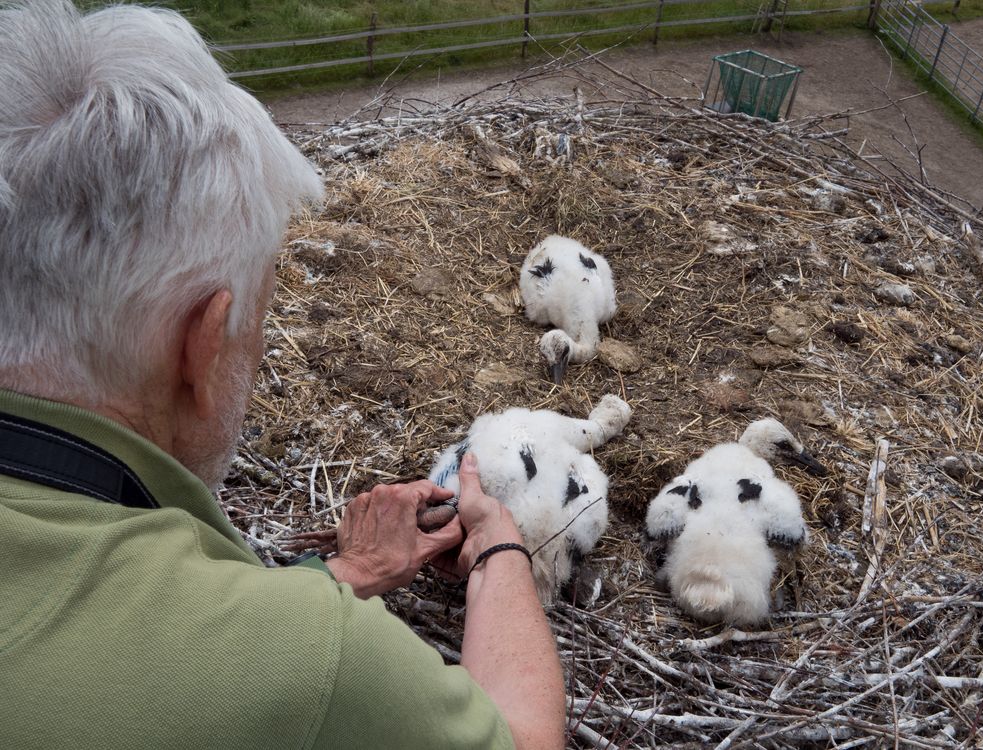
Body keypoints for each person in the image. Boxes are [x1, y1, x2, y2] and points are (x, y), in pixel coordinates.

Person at [0, 1, 565, 748]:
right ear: (200, 345)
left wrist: (349, 568)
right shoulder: (312, 665)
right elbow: (524, 737)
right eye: (258, 319)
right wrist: (498, 541)